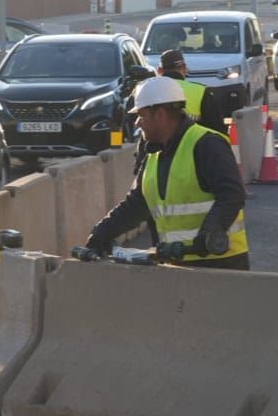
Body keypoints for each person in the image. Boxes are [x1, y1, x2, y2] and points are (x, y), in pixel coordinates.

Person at [85, 75, 249, 269]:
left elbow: (232, 194)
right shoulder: (153, 153)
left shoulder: (207, 144)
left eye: (142, 115)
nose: (137, 123)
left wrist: (209, 233)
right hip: (175, 264)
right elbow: (136, 204)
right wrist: (100, 235)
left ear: (161, 114)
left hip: (220, 263)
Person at [157, 48, 227, 134]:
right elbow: (217, 129)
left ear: (159, 70)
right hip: (194, 145)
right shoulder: (201, 91)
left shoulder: (148, 91)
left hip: (159, 147)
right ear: (185, 68)